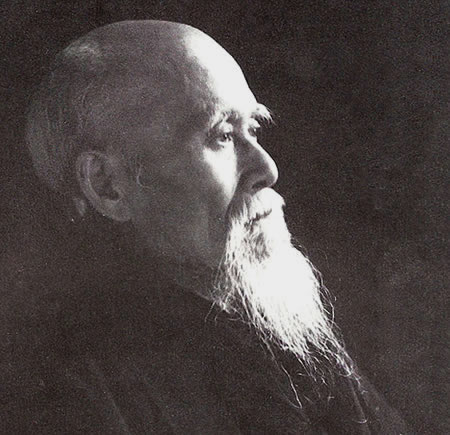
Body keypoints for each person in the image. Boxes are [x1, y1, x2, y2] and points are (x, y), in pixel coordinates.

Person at [0, 20, 408, 433]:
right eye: (221, 135)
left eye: (253, 128)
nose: (267, 169)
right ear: (108, 185)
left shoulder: (278, 325)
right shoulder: (68, 393)